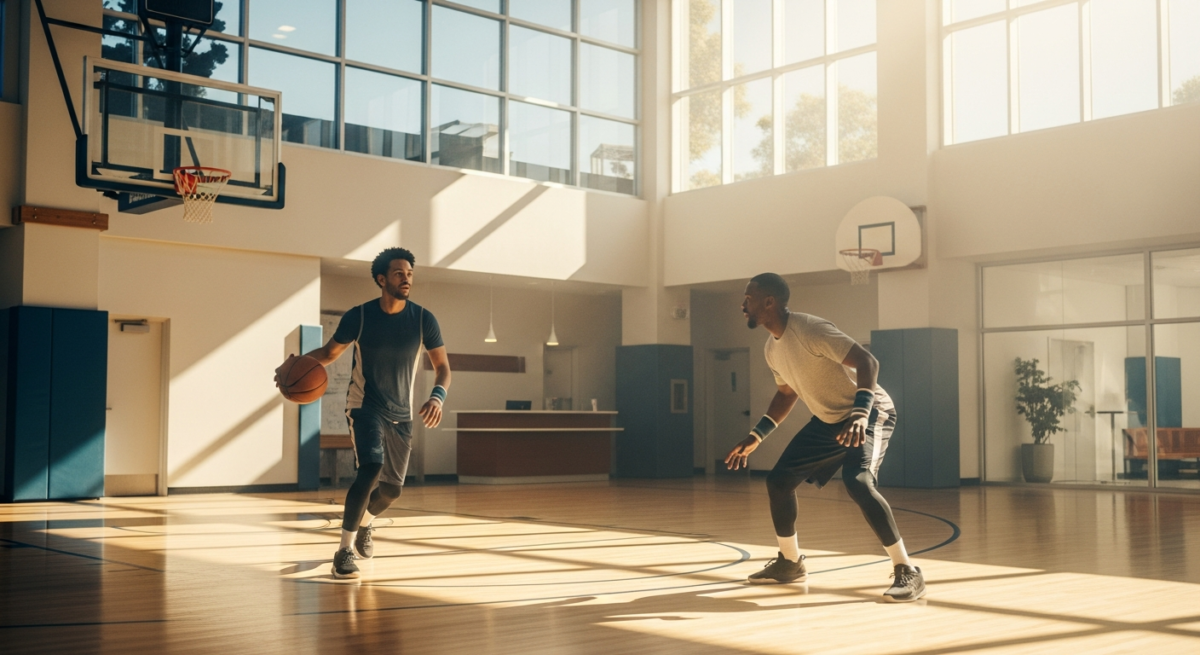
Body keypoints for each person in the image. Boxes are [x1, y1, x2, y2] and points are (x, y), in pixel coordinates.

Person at [724, 273, 925, 602]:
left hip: (871, 411)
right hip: (830, 419)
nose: (743, 305)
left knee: (858, 481)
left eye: (748, 299)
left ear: (769, 302)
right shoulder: (772, 349)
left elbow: (867, 361)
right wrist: (756, 436)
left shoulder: (810, 329)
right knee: (778, 482)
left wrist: (860, 414)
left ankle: (908, 571)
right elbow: (786, 394)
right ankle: (789, 563)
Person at [277, 247, 451, 579]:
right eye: (399, 273)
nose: (406, 279)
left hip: (401, 414)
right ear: (382, 279)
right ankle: (343, 550)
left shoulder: (423, 319)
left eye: (410, 274)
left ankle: (367, 523)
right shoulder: (358, 316)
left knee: (392, 490)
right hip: (364, 406)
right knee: (371, 467)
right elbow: (328, 353)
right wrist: (295, 366)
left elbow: (443, 368)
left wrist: (437, 398)